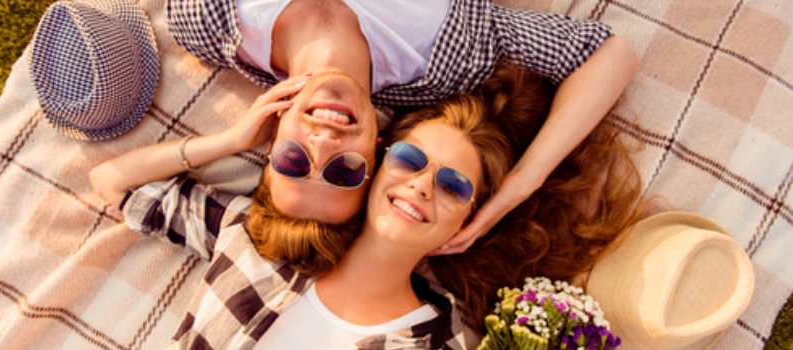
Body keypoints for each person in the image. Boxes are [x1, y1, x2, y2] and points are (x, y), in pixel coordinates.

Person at [90, 64, 642, 348]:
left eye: (453, 186)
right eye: (410, 159)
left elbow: (614, 56)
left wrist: (520, 185)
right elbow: (112, 181)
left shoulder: (446, 340)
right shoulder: (253, 237)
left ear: (470, 220)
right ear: (378, 164)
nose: (423, 185)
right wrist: (232, 141)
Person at [166, 0, 640, 251]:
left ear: (268, 141)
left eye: (294, 161)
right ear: (378, 148)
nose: (324, 145)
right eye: (345, 172)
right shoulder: (453, 57)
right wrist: (521, 182)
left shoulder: (201, 20)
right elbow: (605, 54)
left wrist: (227, 141)